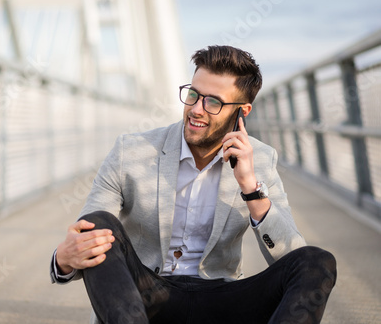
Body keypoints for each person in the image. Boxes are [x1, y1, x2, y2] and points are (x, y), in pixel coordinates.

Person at [50, 45, 337, 324]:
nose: (197, 109)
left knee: (316, 262)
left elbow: (290, 255)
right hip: (145, 298)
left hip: (222, 299)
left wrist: (250, 187)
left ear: (242, 111)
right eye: (193, 95)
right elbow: (87, 238)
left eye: (213, 102)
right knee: (97, 221)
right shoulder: (131, 151)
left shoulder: (260, 159)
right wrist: (63, 260)